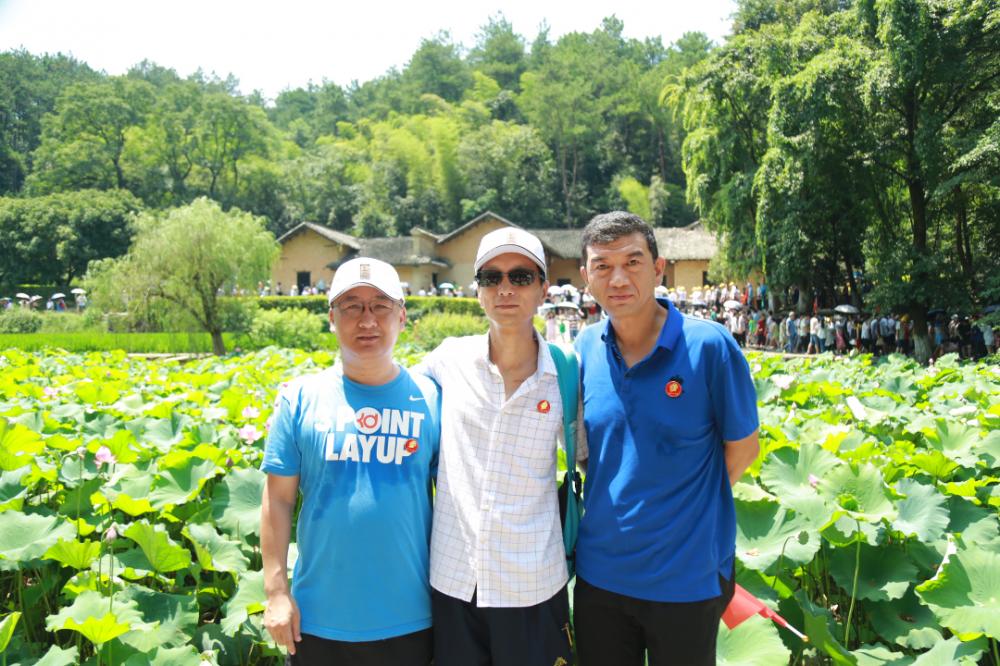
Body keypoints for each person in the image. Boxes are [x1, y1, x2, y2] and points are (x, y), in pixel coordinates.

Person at [573, 212, 759, 665]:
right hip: (600, 576)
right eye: (602, 266)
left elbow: (743, 448)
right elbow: (587, 454)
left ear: (658, 269)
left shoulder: (710, 346)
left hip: (687, 579)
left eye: (632, 262)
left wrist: (681, 508)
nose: (618, 278)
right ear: (585, 277)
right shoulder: (582, 349)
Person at [260, 257, 440, 665]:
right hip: (317, 619)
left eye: (380, 305)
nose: (367, 320)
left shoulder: (431, 398)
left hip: (412, 616)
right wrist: (276, 591)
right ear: (331, 318)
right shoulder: (299, 398)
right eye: (352, 306)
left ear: (402, 316)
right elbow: (278, 500)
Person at [416, 227, 575, 666]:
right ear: (478, 290)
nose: (505, 288)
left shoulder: (565, 372)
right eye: (491, 277)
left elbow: (589, 457)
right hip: (453, 576)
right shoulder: (448, 359)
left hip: (532, 581)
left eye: (521, 276)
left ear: (543, 289)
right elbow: (392, 394)